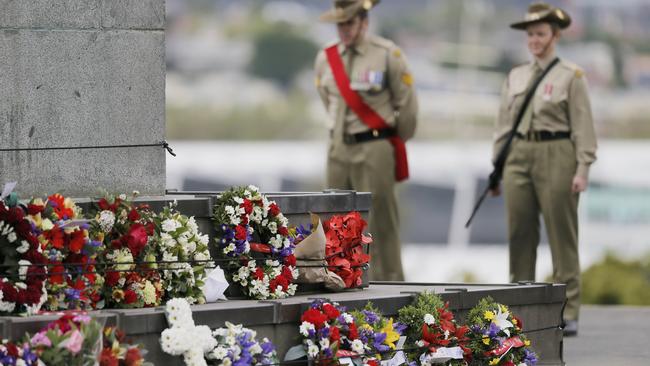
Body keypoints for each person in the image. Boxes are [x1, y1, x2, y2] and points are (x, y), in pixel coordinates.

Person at [491, 2, 597, 336]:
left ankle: (569, 309)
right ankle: (519, 306)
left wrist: (583, 168)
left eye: (540, 33)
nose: (534, 40)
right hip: (519, 155)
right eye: (531, 34)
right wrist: (497, 168)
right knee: (519, 233)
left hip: (558, 152)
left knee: (561, 234)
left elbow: (583, 127)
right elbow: (503, 126)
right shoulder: (516, 75)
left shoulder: (571, 76)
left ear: (554, 35)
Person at [314, 0, 418, 281]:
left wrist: (389, 142)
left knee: (380, 220)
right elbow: (328, 102)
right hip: (338, 147)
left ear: (364, 22)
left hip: (375, 147)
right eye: (340, 24)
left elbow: (407, 109)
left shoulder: (387, 55)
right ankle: (341, 279)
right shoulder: (326, 58)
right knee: (335, 220)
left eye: (349, 23)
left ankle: (388, 280)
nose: (344, 30)